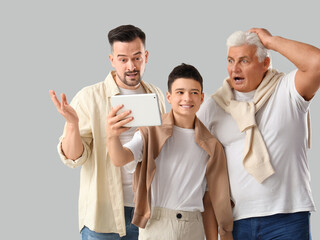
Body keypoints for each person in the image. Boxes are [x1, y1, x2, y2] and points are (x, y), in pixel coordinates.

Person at [197, 28, 320, 240]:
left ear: (265, 63)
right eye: (230, 61)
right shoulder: (215, 105)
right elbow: (185, 140)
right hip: (238, 221)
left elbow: (318, 62)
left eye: (244, 61)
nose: (234, 69)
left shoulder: (287, 90)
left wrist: (271, 41)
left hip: (288, 218)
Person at [49, 24, 166, 240]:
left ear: (146, 56)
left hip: (149, 213)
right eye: (123, 59)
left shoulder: (156, 94)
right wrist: (73, 125)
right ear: (112, 60)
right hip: (103, 217)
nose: (131, 66)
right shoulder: (89, 96)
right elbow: (73, 158)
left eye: (137, 58)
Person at [106, 63, 234, 240]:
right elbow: (120, 159)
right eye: (180, 92)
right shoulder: (150, 132)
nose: (187, 98)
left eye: (194, 92)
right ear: (168, 96)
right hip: (156, 225)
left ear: (202, 98)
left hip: (194, 226)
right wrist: (112, 137)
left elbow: (210, 200)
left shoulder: (211, 145)